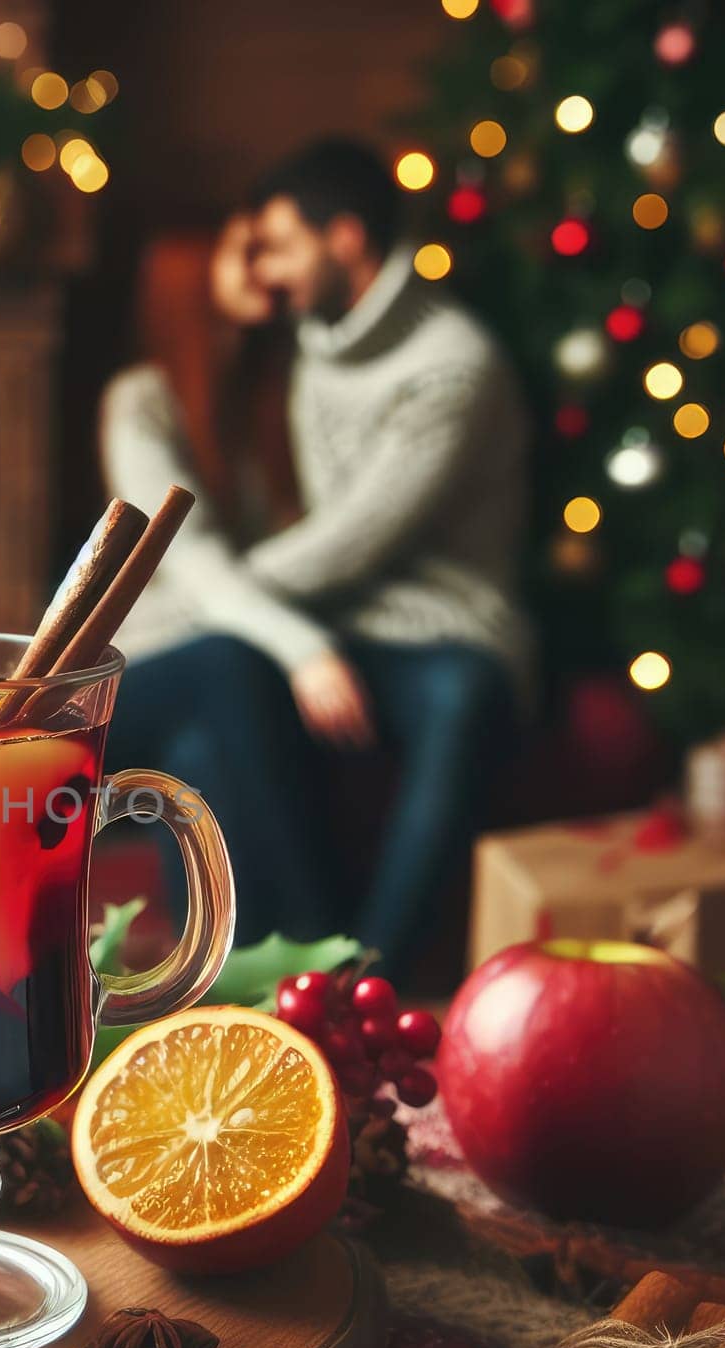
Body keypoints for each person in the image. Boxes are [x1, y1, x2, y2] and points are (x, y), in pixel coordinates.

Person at [101, 138, 530, 983]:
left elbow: (352, 538)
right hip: (182, 640)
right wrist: (286, 639)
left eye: (274, 245)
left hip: (334, 618)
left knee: (210, 734)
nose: (265, 269)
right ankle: (322, 974)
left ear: (344, 241)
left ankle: (316, 983)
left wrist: (256, 620)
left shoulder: (326, 368)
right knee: (225, 669)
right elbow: (191, 566)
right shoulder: (147, 400)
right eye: (245, 249)